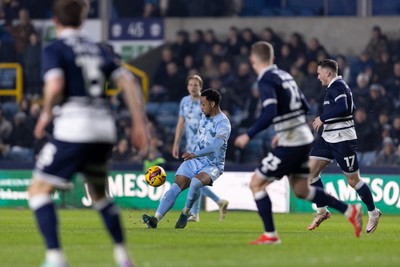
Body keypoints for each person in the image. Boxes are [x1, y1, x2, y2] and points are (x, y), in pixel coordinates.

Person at [27, 1, 149, 267]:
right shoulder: (97, 49)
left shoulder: (55, 48)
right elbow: (128, 81)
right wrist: (140, 123)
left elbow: (56, 84)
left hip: (73, 127)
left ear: (55, 20)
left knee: (37, 191)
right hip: (104, 129)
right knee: (99, 194)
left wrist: (46, 114)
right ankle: (122, 256)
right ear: (82, 20)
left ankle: (55, 258)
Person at [234, 41, 363, 245]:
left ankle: (271, 235)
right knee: (302, 190)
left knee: (256, 183)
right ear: (273, 59)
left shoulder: (265, 79)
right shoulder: (285, 76)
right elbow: (303, 105)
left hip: (292, 141)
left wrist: (248, 134)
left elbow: (270, 111)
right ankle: (349, 210)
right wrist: (285, 129)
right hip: (302, 137)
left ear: (252, 61)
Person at [308, 59, 381, 233]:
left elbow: (345, 107)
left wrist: (322, 118)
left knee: (353, 181)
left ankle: (373, 212)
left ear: (328, 73)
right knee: (310, 172)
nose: (318, 77)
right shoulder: (335, 88)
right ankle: (322, 211)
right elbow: (351, 106)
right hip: (328, 138)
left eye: (319, 73)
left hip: (343, 140)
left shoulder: (338, 86)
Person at [143, 88, 231, 229]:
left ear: (212, 104)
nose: (201, 107)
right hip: (194, 161)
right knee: (175, 187)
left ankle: (186, 213)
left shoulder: (223, 123)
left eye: (203, 104)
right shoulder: (204, 116)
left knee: (196, 183)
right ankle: (156, 219)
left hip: (213, 165)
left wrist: (196, 153)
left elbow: (216, 146)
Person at [172, 75, 229, 222]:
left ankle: (198, 211)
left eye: (196, 85)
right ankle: (201, 211)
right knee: (194, 181)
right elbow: (181, 122)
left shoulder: (204, 103)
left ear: (201, 87)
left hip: (202, 146)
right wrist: (176, 143)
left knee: (195, 180)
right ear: (187, 87)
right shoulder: (184, 102)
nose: (193, 87)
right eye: (190, 84)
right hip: (190, 146)